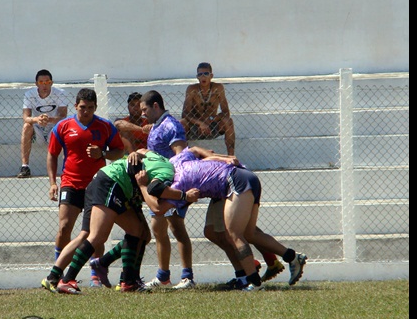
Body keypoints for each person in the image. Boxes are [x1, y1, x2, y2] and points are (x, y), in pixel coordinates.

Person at [137, 145, 307, 290]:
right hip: (243, 177)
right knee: (241, 233)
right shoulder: (175, 161)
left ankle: (253, 282)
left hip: (234, 181)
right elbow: (194, 149)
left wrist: (143, 185)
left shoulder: (176, 184)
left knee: (234, 234)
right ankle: (292, 257)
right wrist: (219, 157)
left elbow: (158, 209)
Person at [41, 150, 195, 294]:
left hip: (118, 186)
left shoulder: (160, 158)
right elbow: (156, 201)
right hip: (112, 182)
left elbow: (141, 150)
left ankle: (128, 281)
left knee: (140, 233)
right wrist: (184, 196)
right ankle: (66, 280)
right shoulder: (169, 173)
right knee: (97, 236)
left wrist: (134, 153)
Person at [47, 88, 125, 287]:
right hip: (70, 183)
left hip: (96, 186)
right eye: (82, 107)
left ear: (95, 107)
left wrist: (103, 154)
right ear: (75, 106)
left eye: (90, 108)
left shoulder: (105, 126)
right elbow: (52, 154)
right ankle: (59, 269)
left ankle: (95, 274)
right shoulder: (63, 126)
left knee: (95, 233)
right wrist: (53, 183)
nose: (86, 111)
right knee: (64, 227)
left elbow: (119, 151)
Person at [139, 90, 196, 290]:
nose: (142, 114)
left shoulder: (171, 126)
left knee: (176, 227)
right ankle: (163, 276)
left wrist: (174, 190)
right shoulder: (157, 125)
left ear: (156, 106)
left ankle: (187, 277)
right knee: (158, 228)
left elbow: (182, 157)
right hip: (159, 186)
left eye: (145, 109)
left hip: (172, 184)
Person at [17, 69, 69, 178]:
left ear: (52, 83)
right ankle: (25, 166)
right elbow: (26, 117)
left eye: (47, 82)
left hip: (54, 126)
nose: (44, 85)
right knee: (26, 126)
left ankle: (67, 167)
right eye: (41, 82)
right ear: (36, 84)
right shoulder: (29, 94)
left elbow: (63, 116)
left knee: (65, 126)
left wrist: (49, 119)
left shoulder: (61, 93)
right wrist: (37, 119)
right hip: (37, 126)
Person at [180, 62, 235, 155]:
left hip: (212, 125)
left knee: (228, 121)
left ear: (211, 75)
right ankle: (183, 156)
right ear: (197, 77)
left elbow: (226, 112)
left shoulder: (218, 88)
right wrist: (200, 123)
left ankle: (231, 157)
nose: (203, 77)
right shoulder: (192, 89)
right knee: (181, 123)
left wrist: (211, 120)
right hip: (195, 126)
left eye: (206, 74)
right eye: (200, 74)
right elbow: (185, 114)